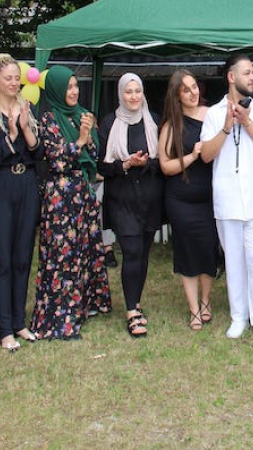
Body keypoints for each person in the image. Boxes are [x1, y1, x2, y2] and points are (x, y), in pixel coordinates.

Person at [200, 54, 253, 345]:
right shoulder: (213, 112)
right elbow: (207, 155)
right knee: (233, 261)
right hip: (227, 198)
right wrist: (226, 126)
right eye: (247, 73)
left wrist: (245, 122)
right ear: (231, 77)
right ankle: (238, 317)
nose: (252, 78)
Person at [30, 66, 111, 340]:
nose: (74, 91)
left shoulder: (82, 115)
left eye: (76, 86)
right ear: (55, 90)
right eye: (68, 87)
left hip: (83, 192)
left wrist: (88, 138)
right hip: (61, 196)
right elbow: (57, 159)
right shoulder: (48, 119)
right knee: (62, 255)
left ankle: (84, 305)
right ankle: (61, 315)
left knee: (84, 250)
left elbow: (94, 152)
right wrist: (80, 140)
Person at [0, 53, 41, 351]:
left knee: (22, 257)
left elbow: (38, 156)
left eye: (17, 78)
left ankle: (18, 321)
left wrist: (25, 129)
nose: (14, 83)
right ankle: (3, 328)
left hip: (26, 184)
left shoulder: (30, 109)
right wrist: (11, 135)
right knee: (1, 260)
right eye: (8, 78)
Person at [98, 73, 164, 338]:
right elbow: (101, 164)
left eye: (137, 91)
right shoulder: (109, 123)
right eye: (128, 92)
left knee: (144, 252)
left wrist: (146, 163)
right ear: (120, 94)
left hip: (149, 197)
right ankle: (130, 311)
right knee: (132, 250)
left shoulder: (154, 121)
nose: (134, 96)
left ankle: (135, 302)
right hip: (122, 197)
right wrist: (125, 164)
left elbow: (163, 160)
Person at [158, 70, 218, 331]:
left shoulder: (212, 115)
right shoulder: (172, 125)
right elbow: (165, 166)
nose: (193, 93)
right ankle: (194, 308)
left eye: (194, 87)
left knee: (208, 250)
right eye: (186, 90)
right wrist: (192, 156)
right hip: (180, 200)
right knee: (187, 252)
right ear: (177, 96)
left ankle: (206, 301)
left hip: (211, 197)